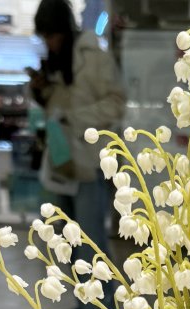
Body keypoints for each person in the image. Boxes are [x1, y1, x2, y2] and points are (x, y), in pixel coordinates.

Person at [28, 0, 124, 259]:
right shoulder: (55, 62)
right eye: (44, 37)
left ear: (64, 30)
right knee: (66, 244)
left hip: (89, 161)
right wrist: (40, 91)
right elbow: (56, 106)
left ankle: (99, 288)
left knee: (91, 242)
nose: (49, 42)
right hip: (61, 158)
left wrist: (75, 118)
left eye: (52, 35)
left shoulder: (94, 57)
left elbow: (116, 104)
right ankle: (80, 288)